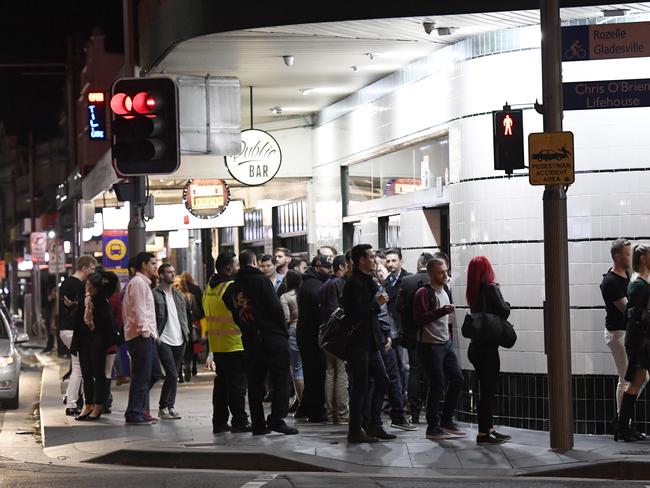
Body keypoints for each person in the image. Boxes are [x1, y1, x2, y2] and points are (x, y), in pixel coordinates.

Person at [230, 250, 298, 435]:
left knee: (255, 382)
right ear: (254, 261)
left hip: (250, 339)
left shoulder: (234, 287)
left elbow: (235, 312)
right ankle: (276, 419)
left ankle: (258, 424)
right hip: (271, 337)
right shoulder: (261, 280)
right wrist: (281, 332)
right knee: (281, 378)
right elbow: (274, 307)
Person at [343, 244, 394, 443]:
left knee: (382, 381)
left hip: (371, 342)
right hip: (358, 343)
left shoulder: (369, 281)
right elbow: (355, 315)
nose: (375, 260)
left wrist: (384, 333)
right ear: (361, 260)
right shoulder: (353, 283)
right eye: (372, 257)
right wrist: (377, 304)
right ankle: (355, 428)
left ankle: (374, 424)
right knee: (360, 386)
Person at [413, 257, 465, 440]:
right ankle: (432, 427)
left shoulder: (445, 290)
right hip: (429, 345)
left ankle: (446, 420)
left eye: (446, 271)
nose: (445, 275)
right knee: (436, 385)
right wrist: (442, 311)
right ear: (431, 273)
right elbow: (419, 318)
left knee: (457, 379)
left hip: (445, 343)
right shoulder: (423, 292)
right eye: (441, 272)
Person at [466, 256, 512, 445]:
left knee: (485, 390)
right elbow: (504, 311)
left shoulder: (473, 291)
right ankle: (484, 433)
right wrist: (502, 297)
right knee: (488, 390)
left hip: (476, 347)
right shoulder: (491, 288)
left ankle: (488, 428)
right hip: (487, 349)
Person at [204, 252, 251, 434]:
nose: (239, 268)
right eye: (237, 265)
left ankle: (220, 422)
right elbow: (243, 314)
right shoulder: (230, 287)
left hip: (218, 345)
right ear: (229, 268)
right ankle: (240, 421)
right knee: (237, 385)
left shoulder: (210, 287)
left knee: (222, 386)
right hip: (235, 343)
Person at [74, 271, 119, 421]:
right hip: (83, 340)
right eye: (88, 285)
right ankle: (88, 405)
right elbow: (78, 319)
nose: (89, 289)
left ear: (98, 288)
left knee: (98, 374)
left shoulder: (102, 299)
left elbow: (113, 279)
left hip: (98, 340)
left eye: (92, 287)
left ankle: (98, 405)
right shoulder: (83, 298)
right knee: (86, 374)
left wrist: (99, 272)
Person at [395, 252, 433, 424]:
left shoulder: (408, 281)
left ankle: (415, 412)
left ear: (419, 263)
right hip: (434, 335)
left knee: (415, 371)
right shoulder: (438, 280)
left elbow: (399, 307)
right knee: (433, 372)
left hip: (412, 335)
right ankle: (433, 409)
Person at [617, 244, 650, 442]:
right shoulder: (638, 284)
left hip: (643, 339)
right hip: (640, 341)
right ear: (644, 258)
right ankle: (622, 427)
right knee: (635, 382)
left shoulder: (640, 282)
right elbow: (634, 315)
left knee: (636, 382)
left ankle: (623, 426)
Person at [123, 252, 160, 425]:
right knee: (142, 375)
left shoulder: (143, 283)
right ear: (144, 265)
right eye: (153, 263)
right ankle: (134, 412)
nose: (156, 266)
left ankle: (137, 409)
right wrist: (146, 332)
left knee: (153, 373)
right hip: (140, 337)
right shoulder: (138, 283)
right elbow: (138, 310)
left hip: (145, 336)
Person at [59, 255, 97, 416]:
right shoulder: (78, 285)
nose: (93, 272)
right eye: (92, 269)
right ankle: (72, 403)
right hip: (74, 331)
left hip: (66, 330)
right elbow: (79, 309)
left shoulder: (66, 283)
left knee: (77, 367)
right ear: (84, 268)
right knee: (79, 369)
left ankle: (70, 398)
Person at [296, 255, 332, 422]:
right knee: (316, 374)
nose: (330, 271)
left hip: (305, 335)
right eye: (327, 268)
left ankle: (306, 407)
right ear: (318, 267)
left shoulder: (309, 282)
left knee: (311, 373)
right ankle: (316, 411)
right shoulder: (316, 286)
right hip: (312, 336)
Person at [153, 264, 190, 420]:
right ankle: (163, 407)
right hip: (164, 339)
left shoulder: (178, 294)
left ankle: (170, 406)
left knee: (174, 375)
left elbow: (184, 315)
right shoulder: (154, 294)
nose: (173, 274)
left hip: (180, 338)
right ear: (161, 275)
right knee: (172, 373)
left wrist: (186, 333)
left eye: (174, 272)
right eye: (169, 272)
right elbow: (152, 315)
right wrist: (156, 335)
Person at [600, 239, 632, 421]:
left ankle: (624, 420)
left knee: (638, 378)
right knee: (626, 378)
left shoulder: (627, 275)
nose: (631, 257)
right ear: (617, 257)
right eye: (628, 254)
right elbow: (628, 311)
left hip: (624, 332)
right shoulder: (610, 282)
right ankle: (623, 422)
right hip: (617, 333)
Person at [319, 255, 349, 424]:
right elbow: (341, 310)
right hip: (337, 335)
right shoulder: (338, 283)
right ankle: (342, 414)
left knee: (330, 373)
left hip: (325, 333)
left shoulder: (325, 284)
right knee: (341, 374)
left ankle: (331, 414)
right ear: (342, 266)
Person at [383, 248, 411, 413]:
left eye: (394, 260)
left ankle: (405, 399)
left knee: (405, 366)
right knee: (394, 366)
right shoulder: (386, 283)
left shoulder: (408, 279)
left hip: (403, 329)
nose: (391, 264)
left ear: (401, 261)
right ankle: (397, 399)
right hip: (391, 330)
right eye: (388, 261)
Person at [280, 270, 304, 417]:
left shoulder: (285, 297)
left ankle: (302, 403)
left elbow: (286, 318)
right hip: (306, 329)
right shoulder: (303, 294)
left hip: (293, 330)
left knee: (297, 369)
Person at [176, 272, 204, 381]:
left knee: (179, 350)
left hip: (176, 327)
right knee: (190, 348)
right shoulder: (192, 295)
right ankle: (189, 365)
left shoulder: (173, 295)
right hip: (190, 325)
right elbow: (199, 311)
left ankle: (179, 372)